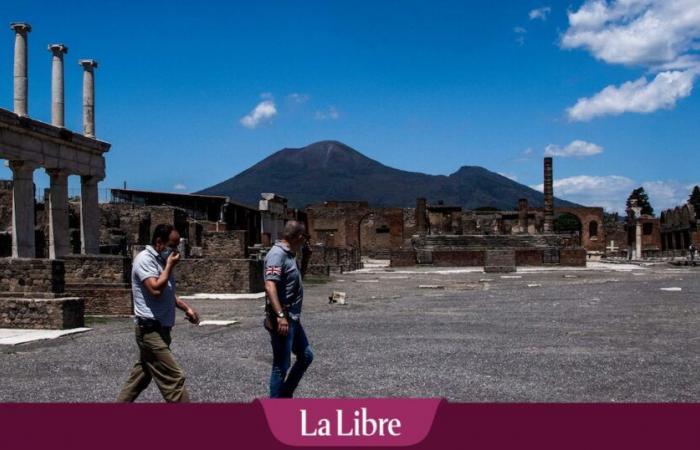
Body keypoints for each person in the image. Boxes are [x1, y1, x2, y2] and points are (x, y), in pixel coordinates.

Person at [117, 224, 200, 403]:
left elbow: (168, 292)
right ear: (159, 242)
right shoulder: (144, 260)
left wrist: (187, 308)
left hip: (161, 331)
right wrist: (169, 266)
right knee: (174, 379)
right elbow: (155, 289)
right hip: (150, 331)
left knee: (138, 379)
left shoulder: (160, 262)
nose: (175, 251)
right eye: (172, 246)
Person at [264, 220, 314, 398]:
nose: (305, 241)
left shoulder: (291, 254)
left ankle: (285, 395)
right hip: (283, 318)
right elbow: (270, 286)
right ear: (299, 237)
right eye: (305, 237)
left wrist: (306, 257)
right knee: (281, 365)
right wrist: (279, 316)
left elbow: (299, 279)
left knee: (306, 355)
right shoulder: (277, 254)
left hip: (293, 317)